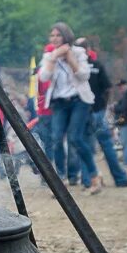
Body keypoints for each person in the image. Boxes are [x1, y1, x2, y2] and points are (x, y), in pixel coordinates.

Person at [38, 23, 100, 194]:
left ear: (66, 36)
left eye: (58, 35)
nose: (55, 38)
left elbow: (83, 75)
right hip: (59, 102)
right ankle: (61, 180)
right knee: (57, 139)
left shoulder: (79, 53)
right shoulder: (49, 56)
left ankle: (94, 177)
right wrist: (54, 57)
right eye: (52, 36)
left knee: (75, 138)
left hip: (79, 100)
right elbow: (44, 76)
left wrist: (69, 57)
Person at [80, 38, 127, 187]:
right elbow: (107, 89)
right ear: (88, 50)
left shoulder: (73, 68)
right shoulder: (96, 65)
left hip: (82, 113)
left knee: (85, 146)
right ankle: (119, 178)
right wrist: (102, 107)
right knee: (106, 144)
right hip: (96, 111)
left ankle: (87, 180)